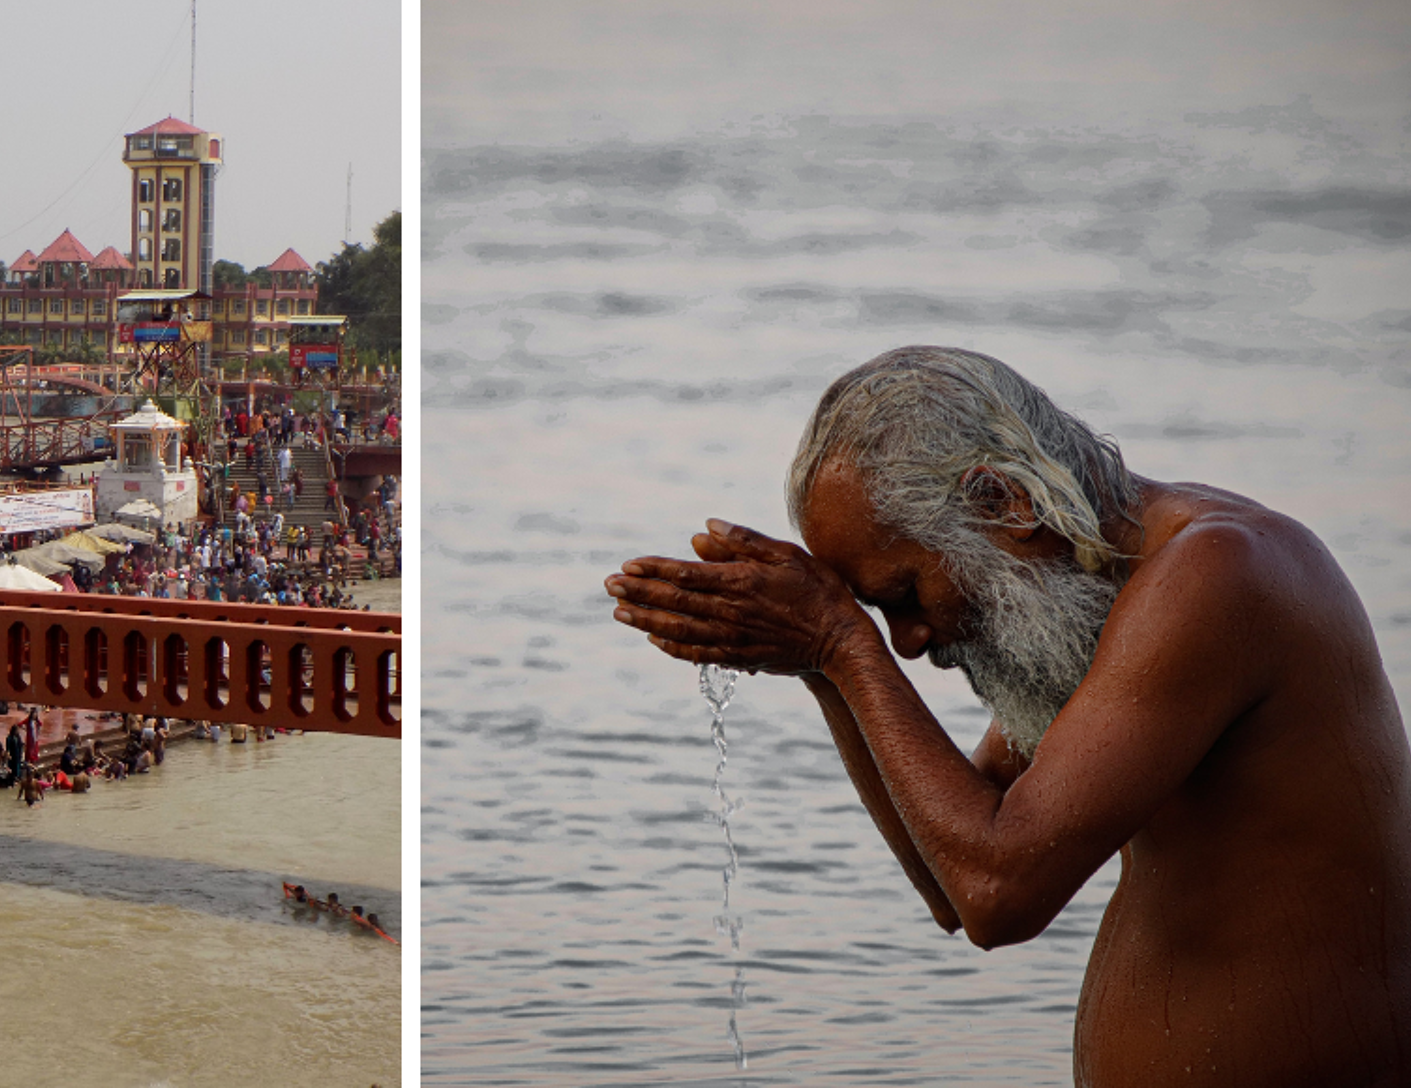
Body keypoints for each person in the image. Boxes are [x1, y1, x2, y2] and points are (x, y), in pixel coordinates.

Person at [605, 346, 1411, 1086]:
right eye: (881, 616)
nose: (912, 642)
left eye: (904, 596)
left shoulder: (1216, 574)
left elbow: (999, 890)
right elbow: (950, 881)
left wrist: (844, 642)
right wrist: (824, 665)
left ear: (1003, 500)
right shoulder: (1105, 595)